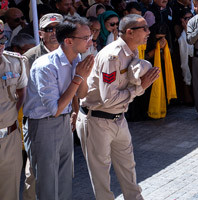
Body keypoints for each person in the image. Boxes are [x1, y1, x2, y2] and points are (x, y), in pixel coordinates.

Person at [76, 15, 159, 200]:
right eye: (144, 28)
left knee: (128, 167)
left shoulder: (132, 51)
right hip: (97, 119)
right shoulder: (112, 56)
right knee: (101, 176)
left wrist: (138, 87)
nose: (148, 31)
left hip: (117, 118)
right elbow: (108, 99)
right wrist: (140, 87)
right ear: (129, 32)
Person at [24, 16, 95, 200]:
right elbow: (54, 108)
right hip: (43, 124)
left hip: (63, 122)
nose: (90, 41)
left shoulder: (77, 58)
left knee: (64, 179)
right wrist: (78, 77)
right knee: (47, 183)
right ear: (69, 41)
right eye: (85, 37)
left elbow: (81, 94)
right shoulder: (45, 65)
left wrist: (84, 77)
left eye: (90, 36)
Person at [0, 24, 27, 200]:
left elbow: (21, 93)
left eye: (2, 39)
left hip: (9, 137)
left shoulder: (16, 62)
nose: (1, 44)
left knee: (9, 193)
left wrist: (7, 119)